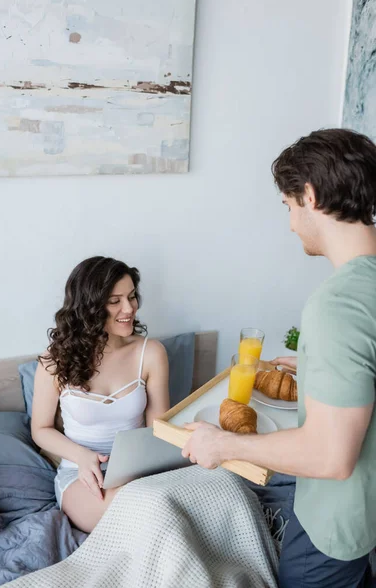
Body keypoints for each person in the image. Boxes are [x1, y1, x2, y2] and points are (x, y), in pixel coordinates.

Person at [182, 128, 376, 587]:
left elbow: (330, 455)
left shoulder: (337, 305)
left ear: (309, 195)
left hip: (334, 525)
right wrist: (315, 370)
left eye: (288, 206)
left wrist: (221, 444)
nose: (290, 223)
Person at [32, 256, 169, 533]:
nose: (129, 308)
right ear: (89, 307)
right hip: (79, 475)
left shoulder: (151, 353)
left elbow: (159, 431)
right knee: (139, 512)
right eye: (114, 301)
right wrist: (82, 457)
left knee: (162, 504)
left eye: (131, 297)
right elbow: (40, 429)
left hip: (138, 472)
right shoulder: (54, 361)